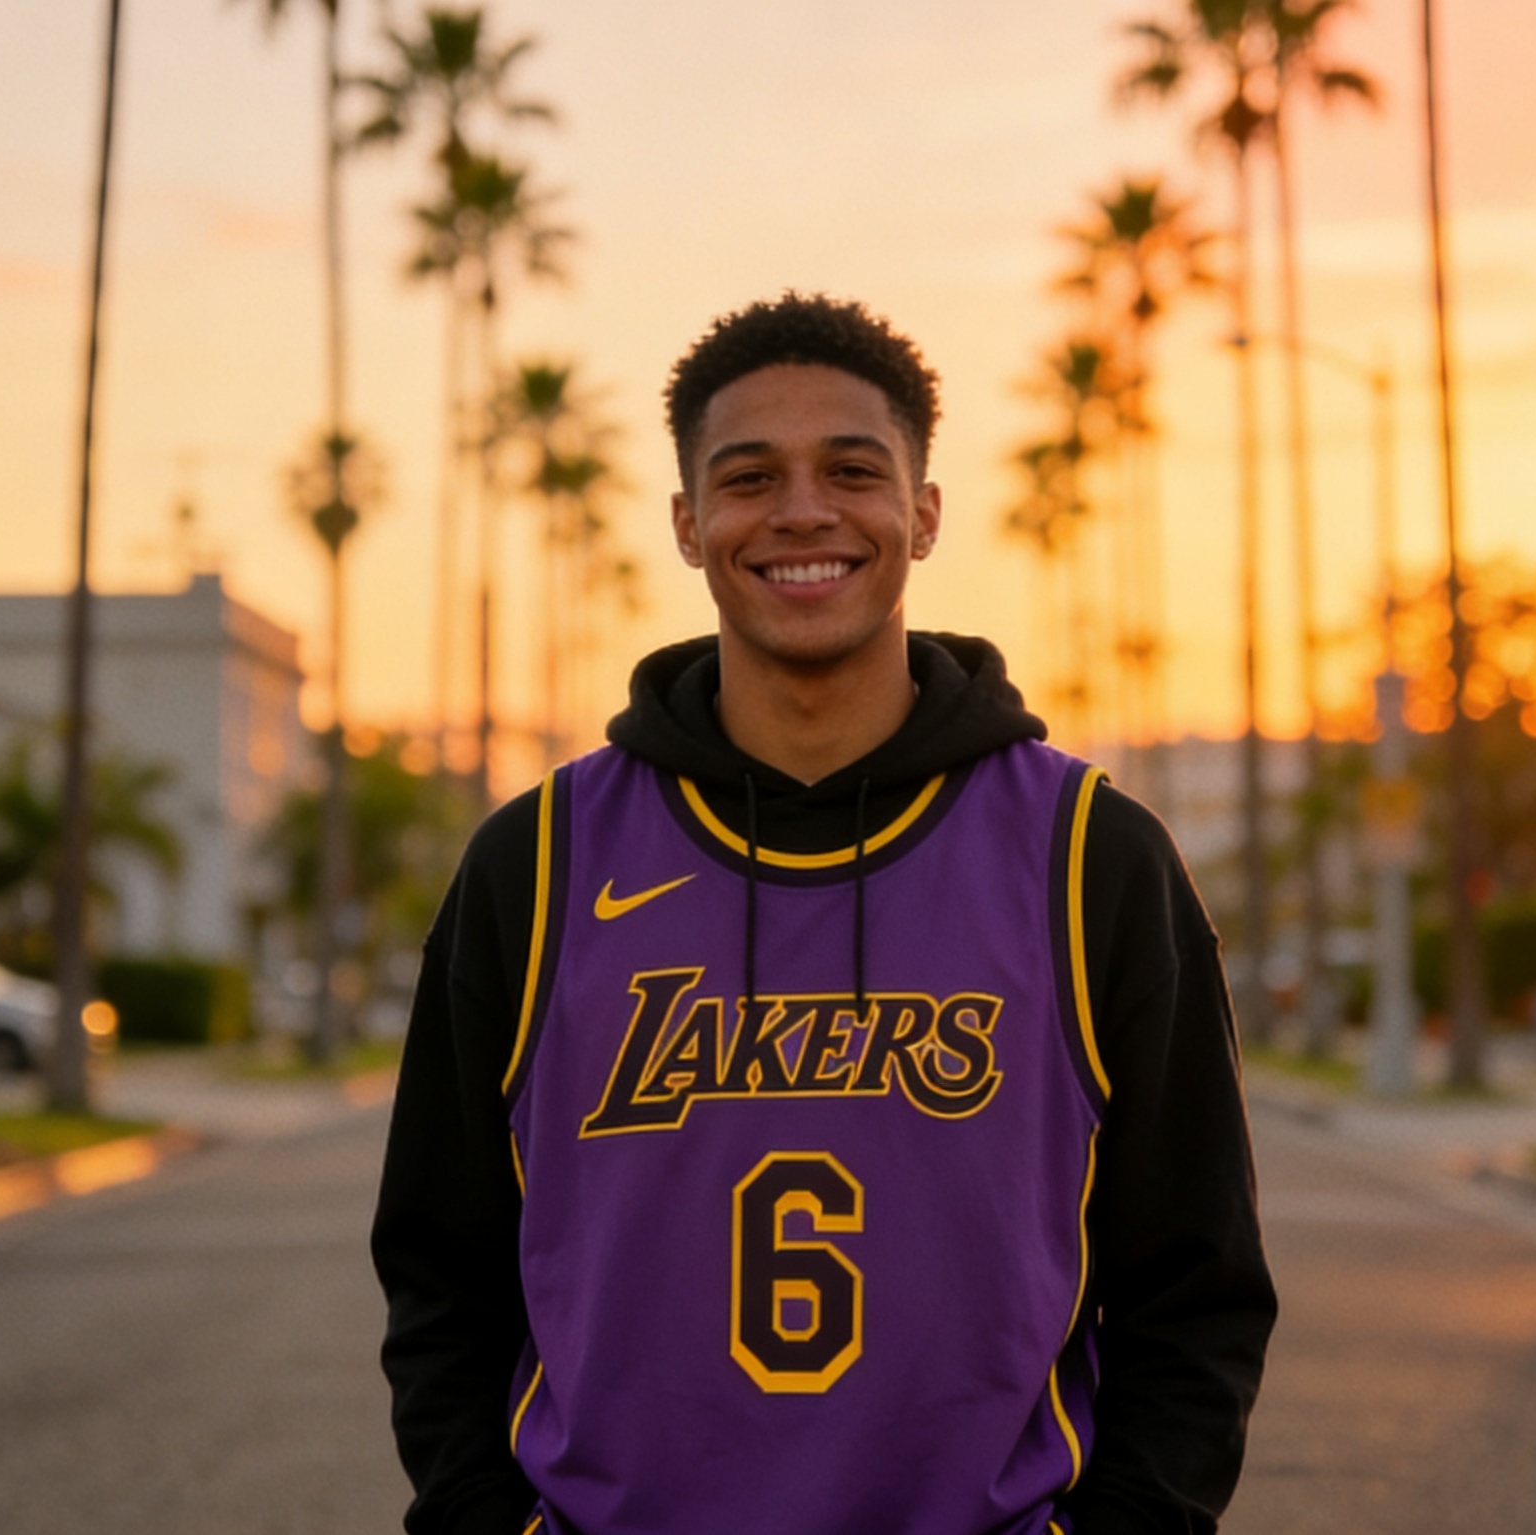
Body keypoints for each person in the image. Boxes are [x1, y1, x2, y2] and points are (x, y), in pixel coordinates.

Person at [373, 293, 1274, 1535]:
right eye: (749, 477)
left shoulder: (1088, 856)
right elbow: (442, 1271)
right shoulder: (536, 861)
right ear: (689, 525)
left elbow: (1195, 1281)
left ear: (924, 511)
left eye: (853, 469)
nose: (803, 511)